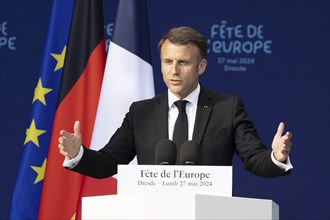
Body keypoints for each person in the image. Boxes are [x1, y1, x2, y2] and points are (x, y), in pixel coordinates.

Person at [58, 26, 293, 178]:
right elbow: (109, 162)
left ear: (201, 66)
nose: (174, 70)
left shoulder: (227, 108)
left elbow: (254, 158)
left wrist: (276, 158)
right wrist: (78, 153)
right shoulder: (141, 112)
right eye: (167, 61)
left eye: (183, 62)